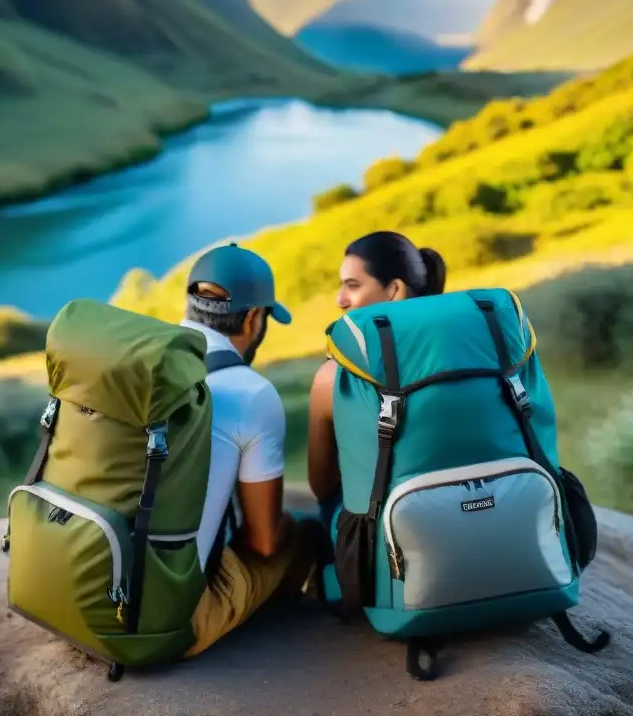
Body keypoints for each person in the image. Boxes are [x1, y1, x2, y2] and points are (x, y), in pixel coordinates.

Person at [179, 242, 324, 658]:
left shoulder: (141, 361)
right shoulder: (251, 393)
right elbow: (263, 543)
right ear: (254, 318)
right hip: (161, 625)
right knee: (301, 532)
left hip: (84, 593)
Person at [306, 231, 447, 528]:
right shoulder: (467, 349)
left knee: (319, 518)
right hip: (486, 516)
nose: (340, 299)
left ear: (394, 289)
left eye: (352, 286)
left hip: (393, 549)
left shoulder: (333, 377)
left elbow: (323, 486)